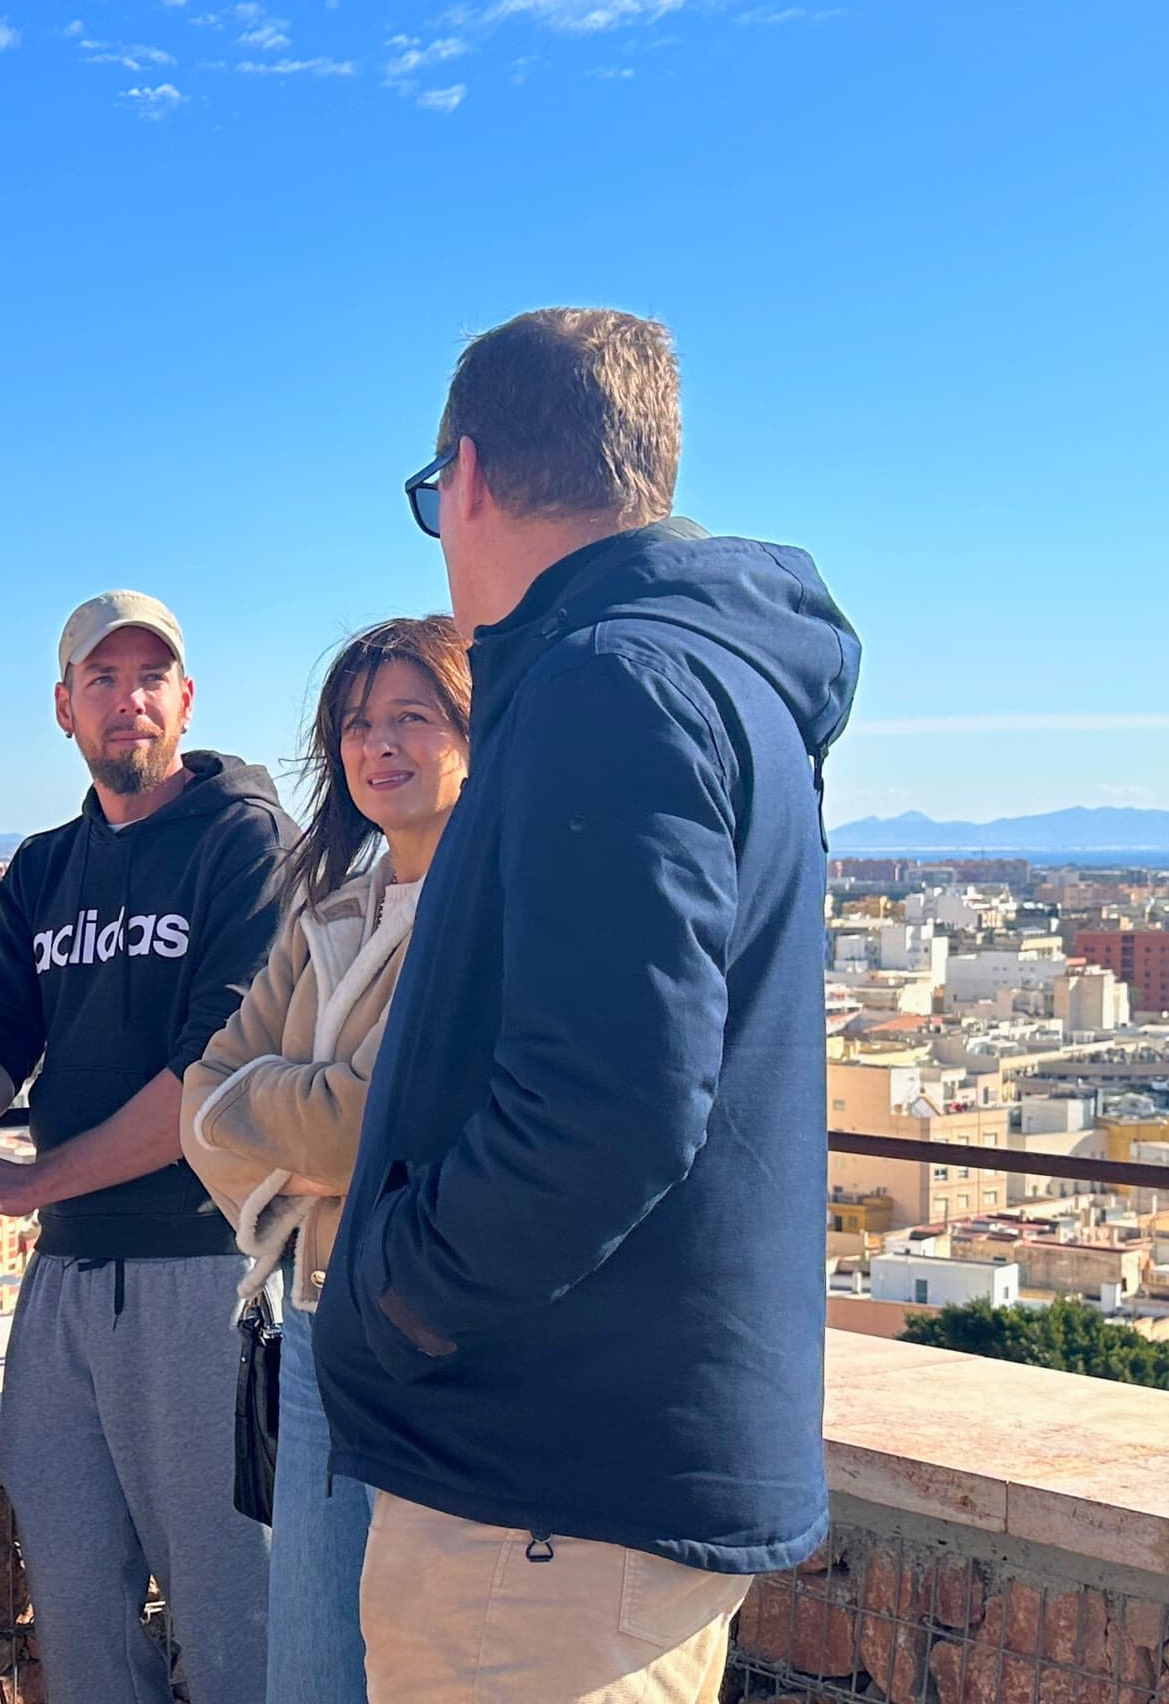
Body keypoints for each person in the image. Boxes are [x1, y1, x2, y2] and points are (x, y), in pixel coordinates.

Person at [320, 309, 861, 1703]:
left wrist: (397, 1296)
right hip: (604, 1478)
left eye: (435, 502)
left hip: (541, 1492)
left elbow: (603, 1112)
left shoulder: (606, 683)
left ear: (471, 477)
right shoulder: (715, 677)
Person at [0, 589, 292, 1704]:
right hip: (69, 1281)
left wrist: (31, 1180)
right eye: (103, 679)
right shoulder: (43, 868)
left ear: (185, 699)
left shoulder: (247, 844)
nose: (127, 698)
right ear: (64, 709)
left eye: (149, 677)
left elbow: (209, 1079)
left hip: (204, 1268)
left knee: (233, 1617)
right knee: (77, 1602)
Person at [178, 613, 472, 1704]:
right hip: (309, 1326)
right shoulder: (329, 911)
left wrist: (271, 1115)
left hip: (427, 1342)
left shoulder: (486, 918)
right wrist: (307, 1131)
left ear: (473, 734)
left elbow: (379, 1124)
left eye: (413, 716)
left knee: (418, 1662)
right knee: (307, 1661)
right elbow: (199, 1103)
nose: (378, 744)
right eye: (356, 724)